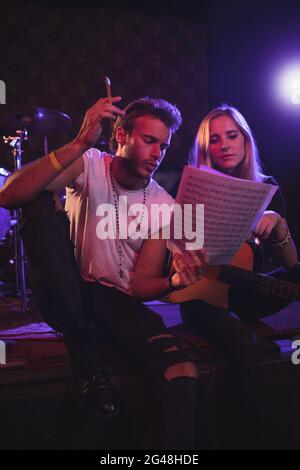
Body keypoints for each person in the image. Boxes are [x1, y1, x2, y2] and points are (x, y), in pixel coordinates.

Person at [0, 95, 206, 449]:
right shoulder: (90, 163)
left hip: (115, 303)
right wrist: (81, 142)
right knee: (35, 203)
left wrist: (172, 282)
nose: (157, 153)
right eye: (148, 140)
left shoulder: (162, 204)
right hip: (68, 285)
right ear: (122, 135)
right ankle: (83, 342)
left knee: (181, 372)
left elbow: (140, 285)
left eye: (163, 145)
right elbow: (8, 195)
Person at [132, 104, 300, 448]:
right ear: (205, 149)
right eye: (215, 140)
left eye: (232, 136)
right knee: (241, 341)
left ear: (246, 141)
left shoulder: (267, 187)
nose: (224, 145)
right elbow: (167, 247)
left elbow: (292, 265)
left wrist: (279, 224)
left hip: (249, 290)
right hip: (201, 294)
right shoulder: (191, 187)